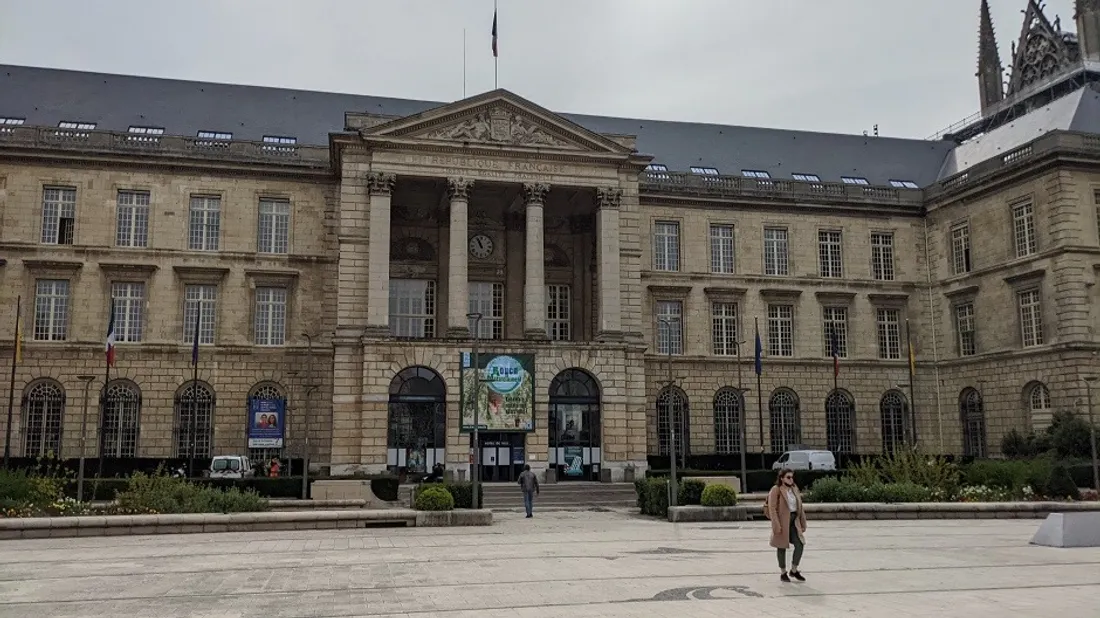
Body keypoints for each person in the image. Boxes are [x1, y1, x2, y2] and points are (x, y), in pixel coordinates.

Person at [766, 467, 807, 583]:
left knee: (800, 544)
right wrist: (776, 524)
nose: (791, 479)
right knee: (781, 546)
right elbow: (772, 508)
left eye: (792, 477)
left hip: (794, 521)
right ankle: (783, 572)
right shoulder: (776, 490)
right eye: (788, 477)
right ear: (782, 478)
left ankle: (794, 570)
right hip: (782, 521)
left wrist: (803, 522)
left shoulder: (794, 489)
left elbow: (800, 507)